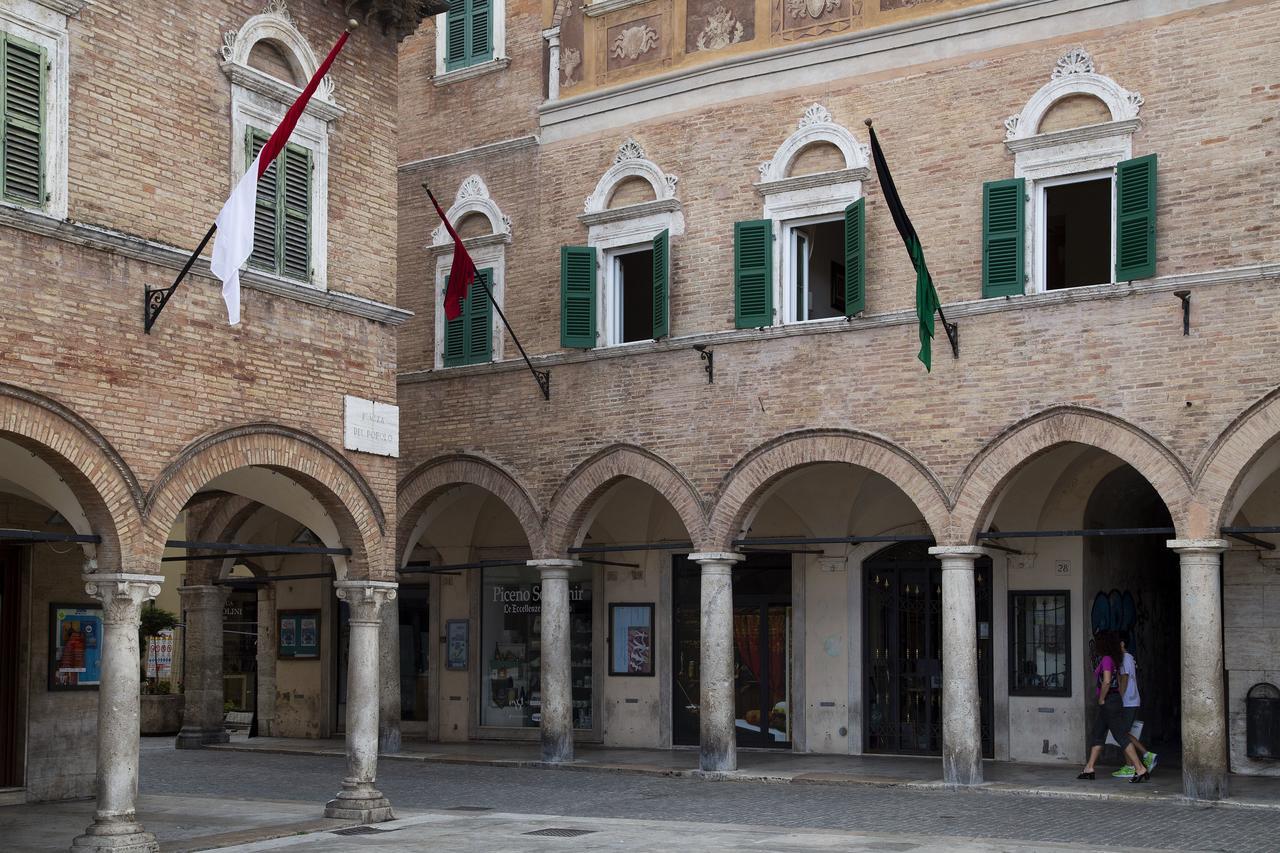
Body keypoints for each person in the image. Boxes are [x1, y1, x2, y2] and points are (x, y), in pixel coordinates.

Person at [1077, 631, 1149, 783]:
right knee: (1098, 733)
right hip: (1111, 702)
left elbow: (1107, 681)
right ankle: (1089, 768)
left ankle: (1140, 769)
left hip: (1109, 701)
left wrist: (1102, 698)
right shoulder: (1112, 658)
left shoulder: (1107, 659)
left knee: (1121, 735)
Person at [1112, 635, 1158, 777]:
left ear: (1122, 643)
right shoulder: (1130, 658)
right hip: (1131, 701)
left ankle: (1142, 758)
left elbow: (1124, 679)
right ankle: (1131, 764)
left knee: (1122, 734)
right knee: (1125, 733)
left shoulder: (1125, 659)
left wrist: (1119, 697)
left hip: (1127, 702)